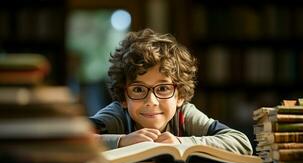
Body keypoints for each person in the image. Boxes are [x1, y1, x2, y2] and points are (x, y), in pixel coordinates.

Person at [89, 28, 253, 155]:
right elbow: (67, 142)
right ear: (123, 97)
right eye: (138, 89)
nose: (151, 101)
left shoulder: (184, 116)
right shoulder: (117, 115)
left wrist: (181, 143)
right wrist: (122, 141)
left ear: (180, 95)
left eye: (163, 88)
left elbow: (241, 143)